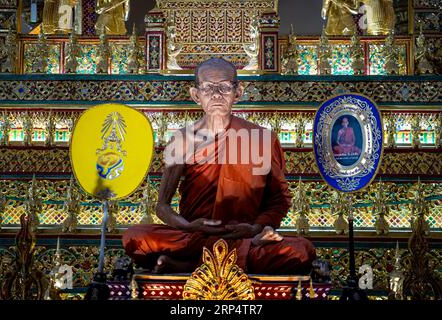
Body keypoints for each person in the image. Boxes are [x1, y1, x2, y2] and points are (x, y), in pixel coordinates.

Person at [122, 58, 316, 274]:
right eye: (207, 88)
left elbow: (278, 200)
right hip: (196, 235)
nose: (216, 95)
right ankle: (224, 260)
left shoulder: (262, 138)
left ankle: (190, 264)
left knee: (301, 250)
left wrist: (255, 228)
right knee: (134, 236)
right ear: (196, 95)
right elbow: (162, 206)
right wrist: (188, 226)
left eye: (224, 87)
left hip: (244, 236)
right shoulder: (183, 140)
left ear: (238, 93)